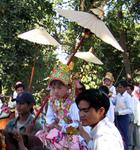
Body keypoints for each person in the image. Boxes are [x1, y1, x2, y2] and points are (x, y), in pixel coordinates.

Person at [36, 62, 89, 150]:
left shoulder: (73, 103)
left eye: (59, 88)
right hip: (55, 131)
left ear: (68, 87)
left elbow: (77, 123)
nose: (56, 91)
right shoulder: (52, 101)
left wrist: (61, 128)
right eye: (53, 88)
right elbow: (49, 118)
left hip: (72, 133)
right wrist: (50, 125)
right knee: (38, 136)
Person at [114, 80, 132, 150]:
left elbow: (130, 110)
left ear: (124, 88)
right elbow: (114, 102)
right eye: (118, 87)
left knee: (124, 135)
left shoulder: (127, 97)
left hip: (124, 118)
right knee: (117, 135)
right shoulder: (117, 95)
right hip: (116, 118)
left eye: (120, 87)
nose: (118, 89)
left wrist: (119, 112)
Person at [127, 83, 140, 150]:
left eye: (128, 89)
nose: (127, 91)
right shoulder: (126, 97)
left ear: (132, 90)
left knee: (135, 137)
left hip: (135, 119)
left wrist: (137, 120)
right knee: (130, 137)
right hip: (128, 119)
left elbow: (137, 109)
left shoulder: (135, 98)